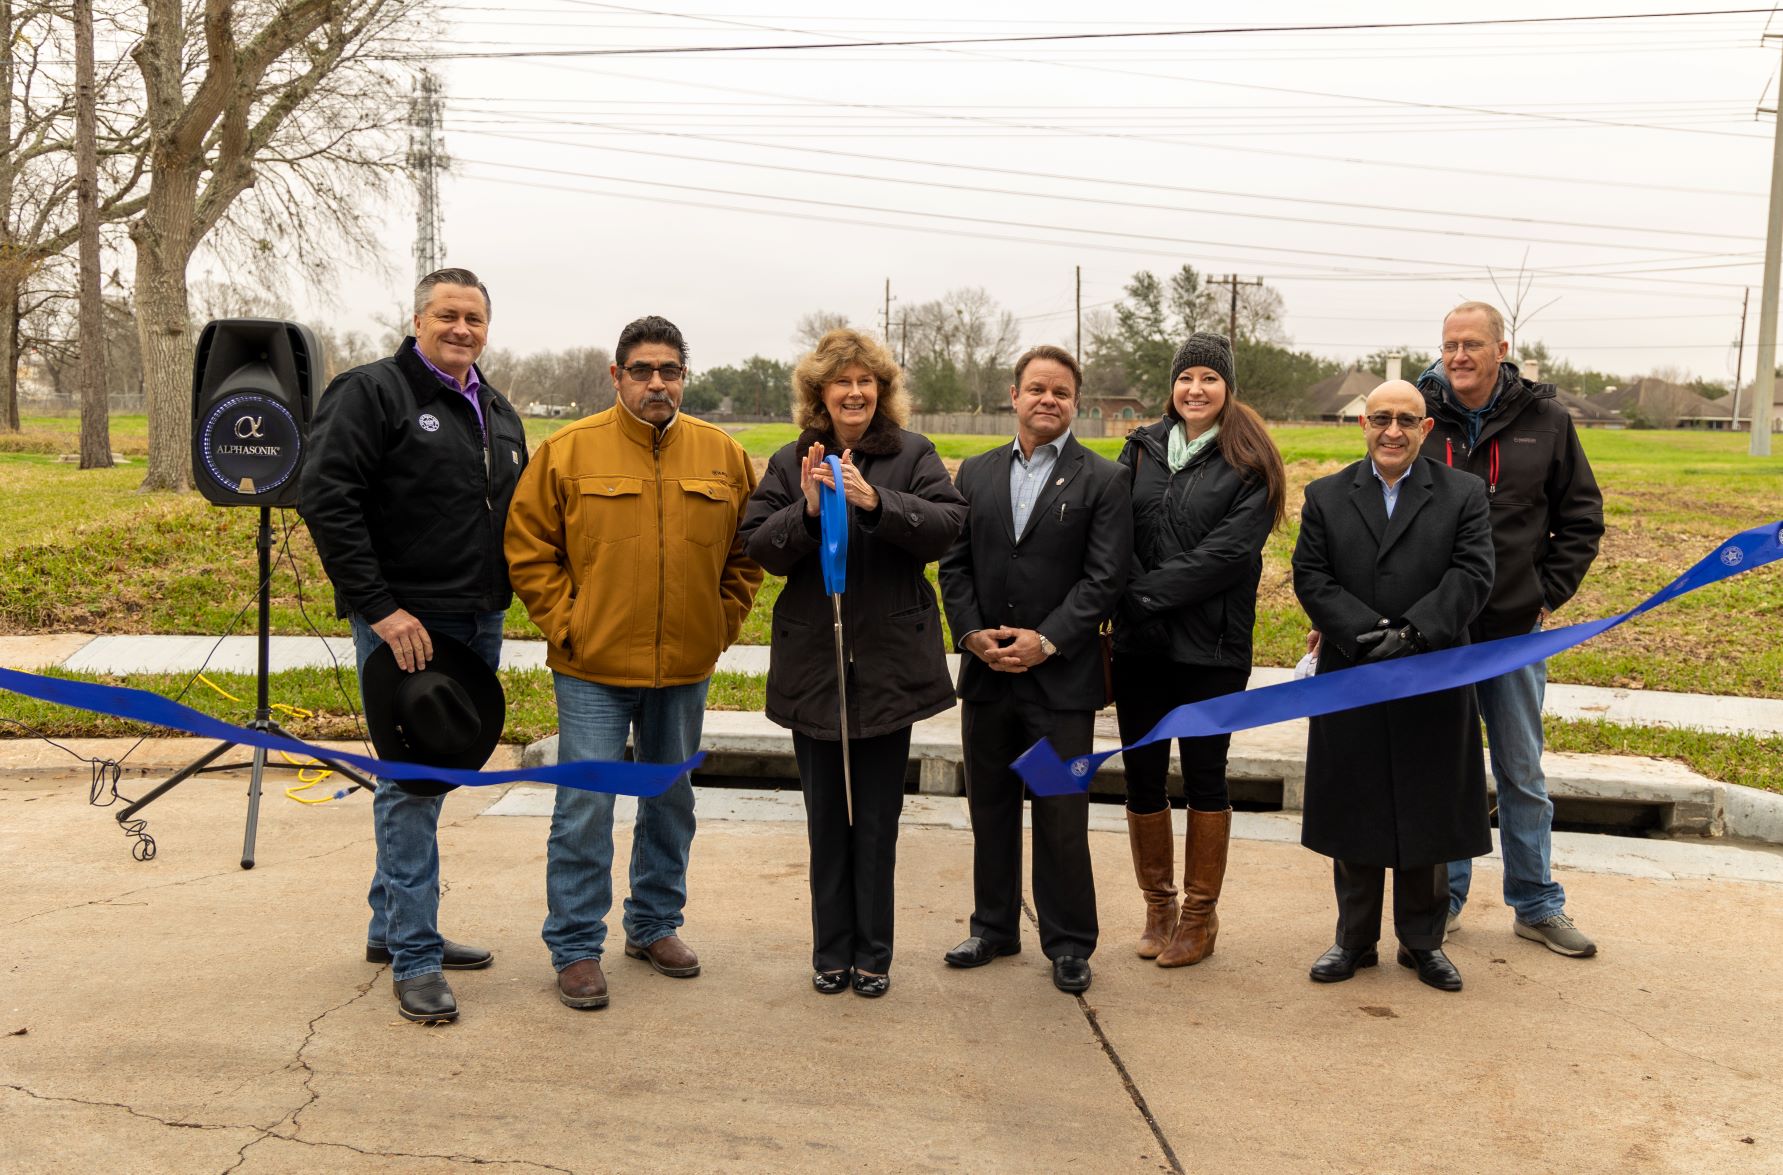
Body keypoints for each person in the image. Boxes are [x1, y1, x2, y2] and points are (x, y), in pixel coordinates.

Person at [505, 315, 763, 1010]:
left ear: (684, 378)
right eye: (643, 370)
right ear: (616, 375)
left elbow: (747, 554)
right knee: (586, 804)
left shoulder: (721, 454)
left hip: (685, 665)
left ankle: (653, 924)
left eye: (670, 371)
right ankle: (575, 946)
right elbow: (529, 548)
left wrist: (718, 624)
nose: (657, 382)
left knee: (668, 799)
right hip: (590, 664)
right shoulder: (568, 450)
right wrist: (569, 623)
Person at [300, 267, 529, 1024]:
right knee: (409, 784)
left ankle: (390, 926)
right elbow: (327, 497)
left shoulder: (495, 409)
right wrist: (380, 607)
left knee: (436, 776)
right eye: (447, 315)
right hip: (405, 624)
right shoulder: (372, 392)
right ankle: (416, 956)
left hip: (476, 618)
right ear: (417, 318)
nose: (461, 329)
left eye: (474, 319)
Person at [738, 328, 965, 999]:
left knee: (874, 822)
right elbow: (757, 544)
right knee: (824, 823)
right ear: (820, 393)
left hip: (888, 669)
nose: (856, 392)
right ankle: (829, 951)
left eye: (868, 382)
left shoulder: (911, 454)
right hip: (816, 666)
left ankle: (874, 954)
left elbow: (950, 524)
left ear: (882, 391)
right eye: (842, 382)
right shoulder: (789, 460)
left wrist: (875, 501)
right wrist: (806, 510)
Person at [937, 345, 1131, 994]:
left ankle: (1069, 941)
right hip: (989, 678)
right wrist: (971, 635)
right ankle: (992, 925)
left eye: (1061, 391)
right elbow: (955, 564)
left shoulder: (1101, 480)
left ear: (1075, 402)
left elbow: (1104, 580)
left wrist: (1045, 640)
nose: (1047, 399)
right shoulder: (976, 473)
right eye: (1035, 388)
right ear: (1013, 396)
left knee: (1057, 812)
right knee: (989, 808)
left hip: (1058, 684)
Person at [1292, 380, 1495, 993]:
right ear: (1363, 424)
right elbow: (1311, 575)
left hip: (1431, 673)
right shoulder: (1326, 496)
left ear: (1426, 430)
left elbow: (1473, 573)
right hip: (1351, 674)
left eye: (1407, 420)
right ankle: (1353, 941)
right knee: (1355, 805)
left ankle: (1423, 942)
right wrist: (1362, 634)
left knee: (1427, 807)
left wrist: (1413, 634)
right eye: (1381, 418)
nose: (1392, 431)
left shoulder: (1464, 493)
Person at [1418, 301, 1605, 958]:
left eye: (1471, 343)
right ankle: (1443, 901)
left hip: (1513, 632)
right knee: (1447, 768)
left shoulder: (1546, 420)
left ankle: (1535, 903)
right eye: (1448, 344)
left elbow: (1580, 516)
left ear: (1502, 348)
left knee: (1520, 768)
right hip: (1438, 633)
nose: (1458, 355)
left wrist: (1544, 593)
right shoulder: (1419, 418)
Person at [1111, 332, 1285, 968]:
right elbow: (1114, 528)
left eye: (1209, 379)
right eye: (1187, 378)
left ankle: (1200, 918)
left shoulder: (1250, 461)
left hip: (1210, 647)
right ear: (1172, 386)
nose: (1196, 389)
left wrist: (1142, 595)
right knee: (1143, 773)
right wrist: (1127, 596)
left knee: (1206, 774)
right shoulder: (1141, 448)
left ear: (1227, 388)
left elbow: (1228, 554)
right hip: (1138, 647)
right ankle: (1158, 907)